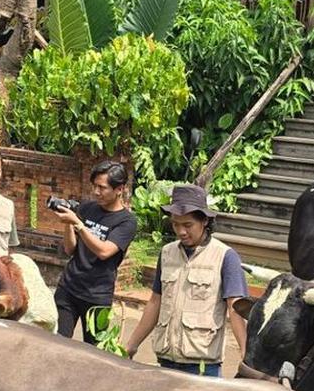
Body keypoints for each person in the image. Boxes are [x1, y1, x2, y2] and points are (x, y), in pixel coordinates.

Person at [123, 184, 248, 377]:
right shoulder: (167, 253)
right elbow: (156, 301)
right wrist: (132, 345)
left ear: (204, 220)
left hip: (202, 367)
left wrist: (245, 352)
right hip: (165, 361)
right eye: (175, 224)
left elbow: (236, 307)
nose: (181, 231)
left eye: (188, 225)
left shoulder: (225, 257)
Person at [52, 160, 137, 345]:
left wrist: (78, 224)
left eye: (102, 187)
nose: (96, 192)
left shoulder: (127, 222)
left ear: (119, 189)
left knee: (93, 351)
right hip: (68, 288)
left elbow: (105, 251)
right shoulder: (88, 208)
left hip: (97, 296)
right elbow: (70, 249)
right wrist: (68, 224)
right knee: (56, 343)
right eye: (94, 186)